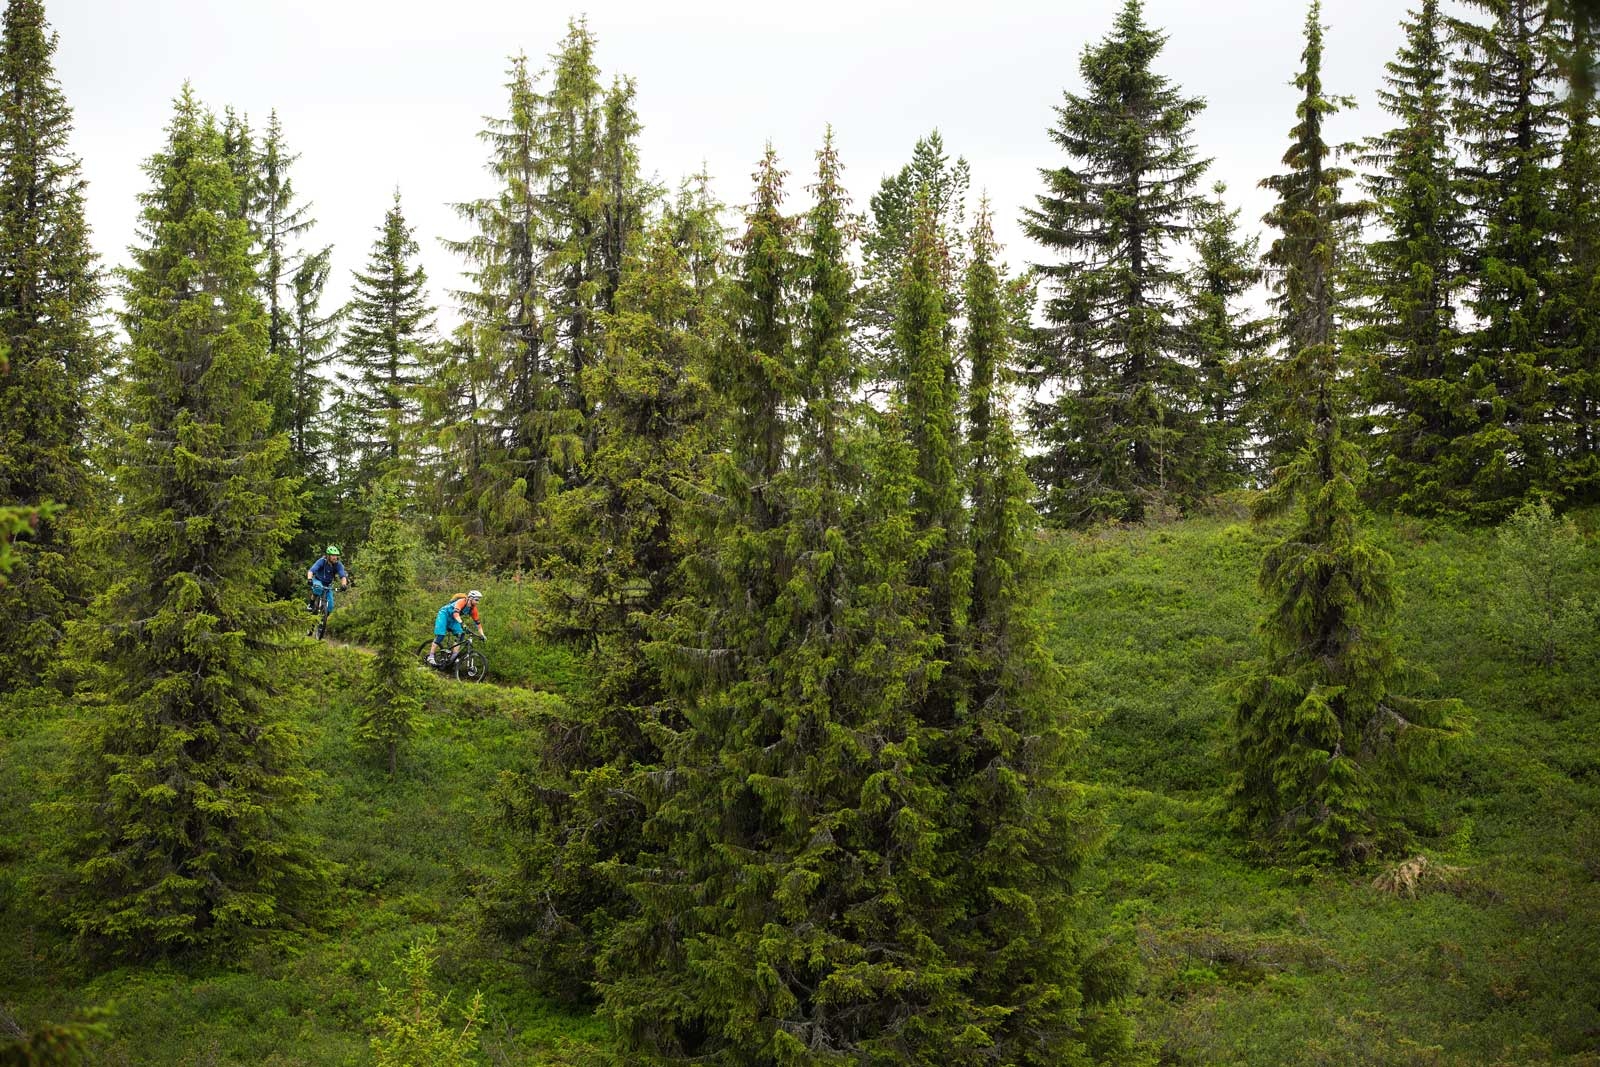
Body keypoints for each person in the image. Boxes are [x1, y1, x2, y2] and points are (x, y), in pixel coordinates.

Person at [428, 590, 485, 665]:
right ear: (470, 598)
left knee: (460, 634)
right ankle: (431, 656)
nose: (478, 602)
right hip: (444, 614)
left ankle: (453, 658)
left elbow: (477, 623)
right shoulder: (462, 601)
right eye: (476, 600)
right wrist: (462, 624)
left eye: (478, 600)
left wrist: (482, 634)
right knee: (441, 635)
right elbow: (455, 614)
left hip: (453, 619)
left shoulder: (473, 609)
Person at [306, 545, 350, 615]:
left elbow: (343, 576)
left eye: (336, 555)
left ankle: (323, 622)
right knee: (318, 588)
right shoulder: (322, 561)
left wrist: (344, 585)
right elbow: (311, 570)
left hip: (328, 585)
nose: (335, 557)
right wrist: (309, 579)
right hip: (318, 580)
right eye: (333, 555)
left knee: (330, 606)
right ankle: (311, 604)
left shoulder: (338, 564)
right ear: (328, 556)